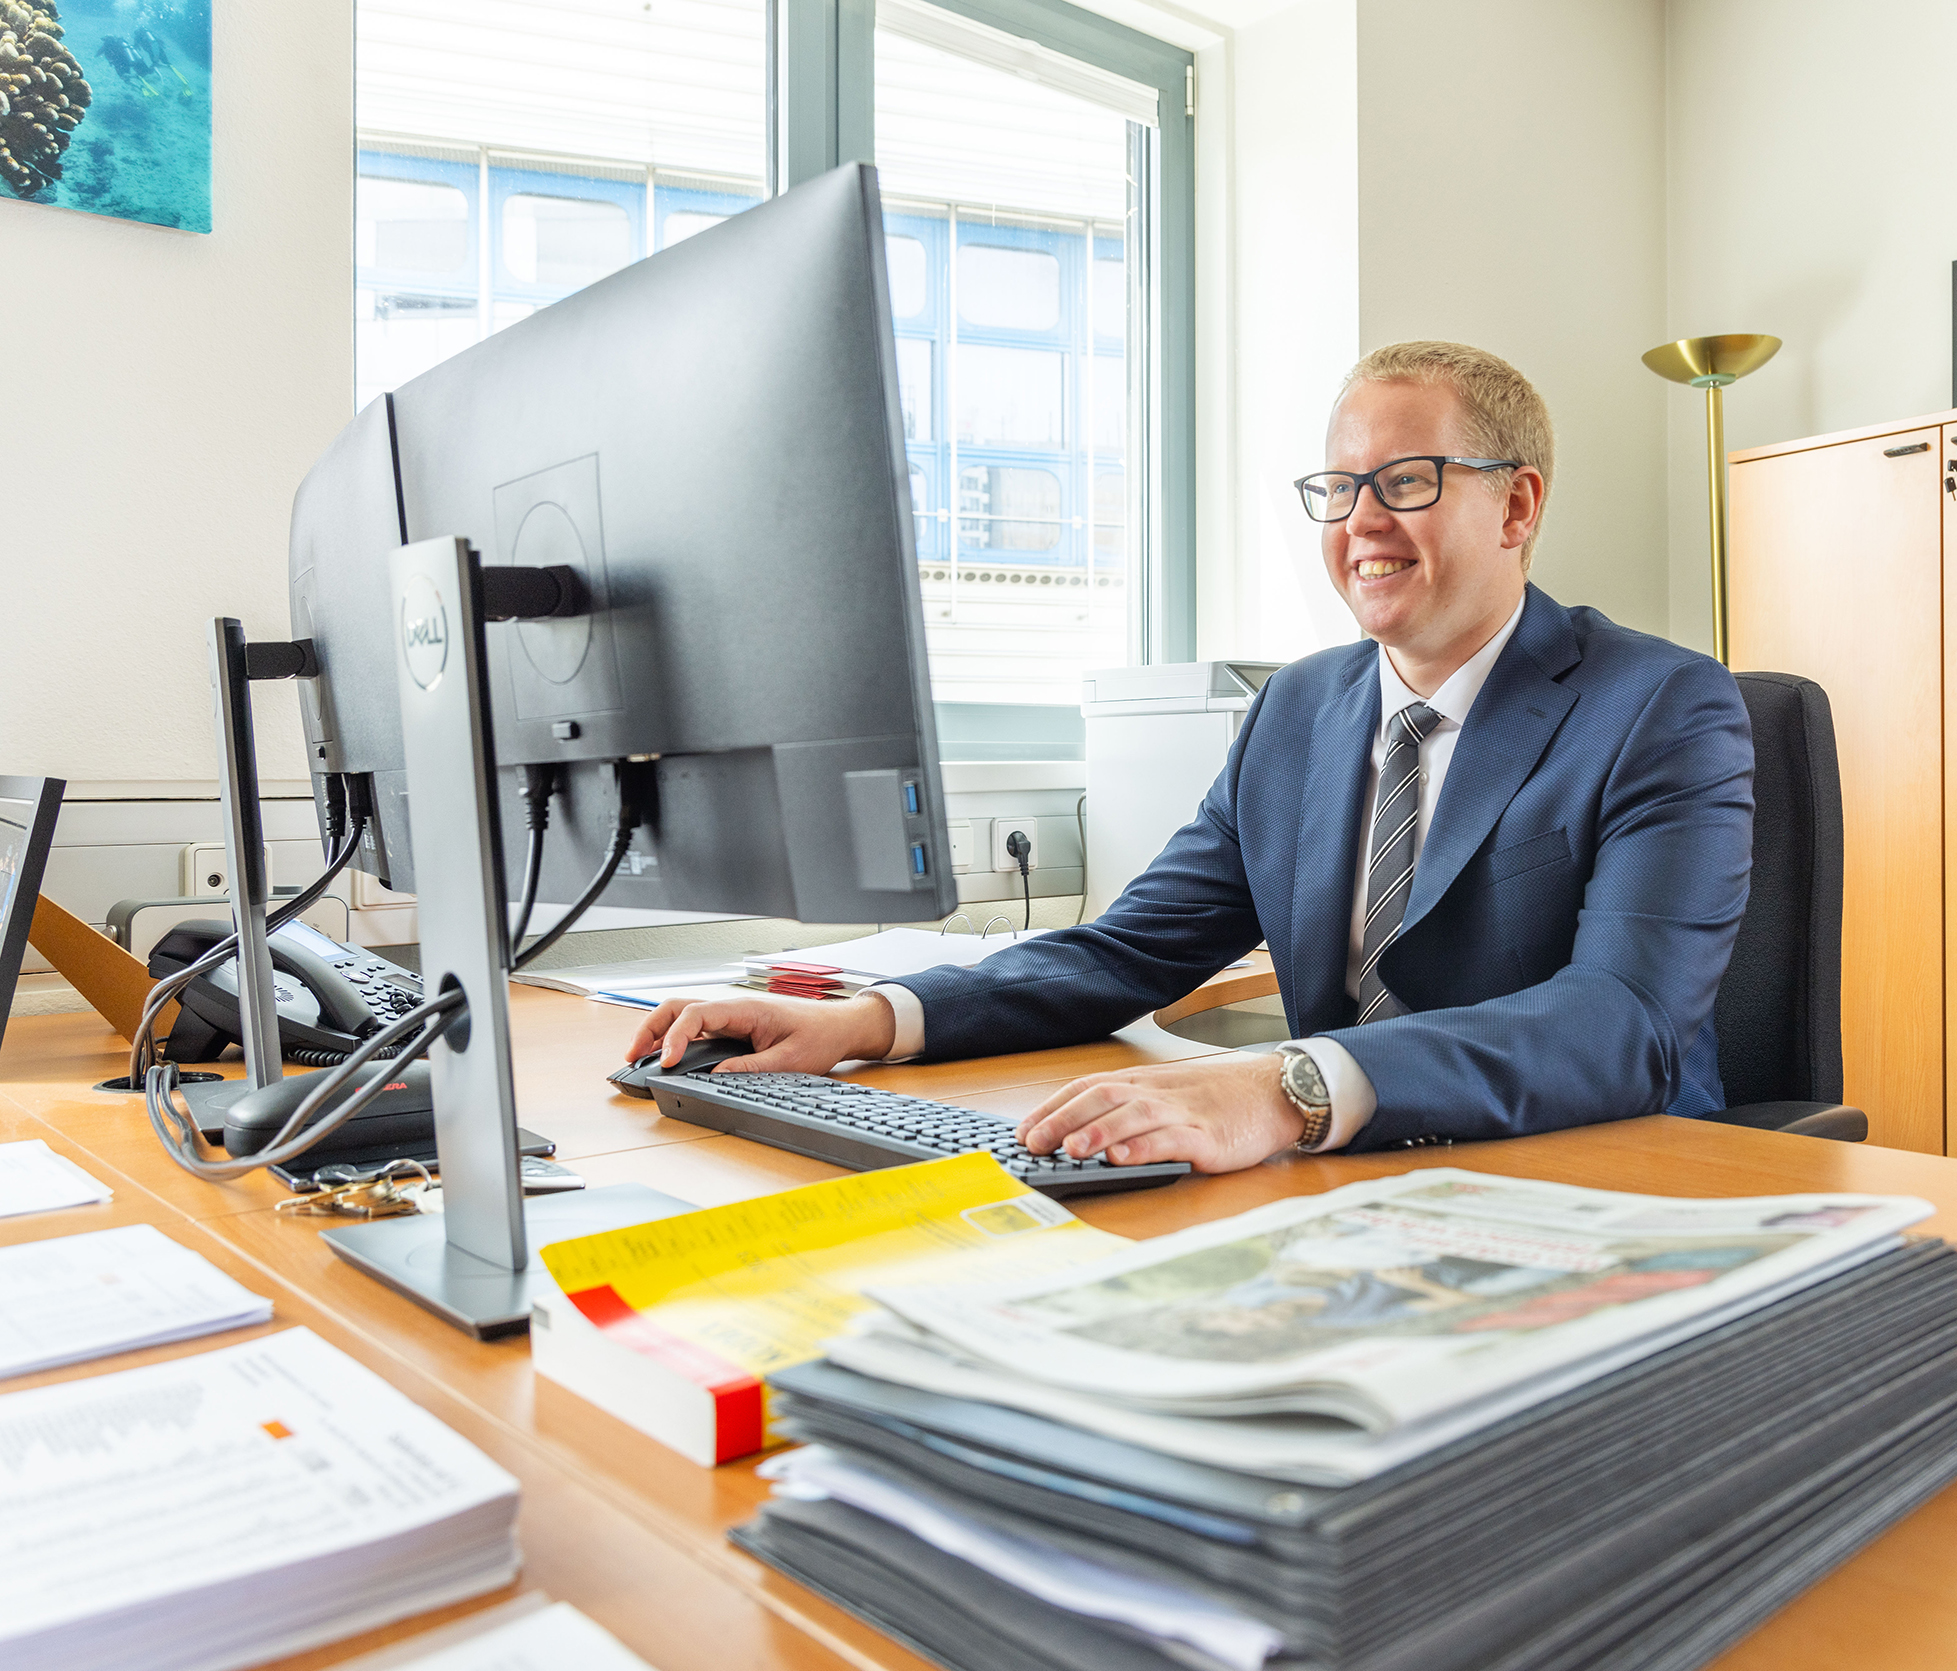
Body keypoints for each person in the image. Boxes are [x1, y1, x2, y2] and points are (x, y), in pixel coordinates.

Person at [629, 341, 1755, 1173]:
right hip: (1352, 1172)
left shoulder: (1659, 706)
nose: (1362, 521)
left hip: (1593, 1172)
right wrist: (866, 1021)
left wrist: (1285, 1086)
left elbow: (1626, 1020)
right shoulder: (1297, 712)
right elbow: (1128, 953)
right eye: (1339, 488)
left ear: (1516, 506)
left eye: (1407, 481)